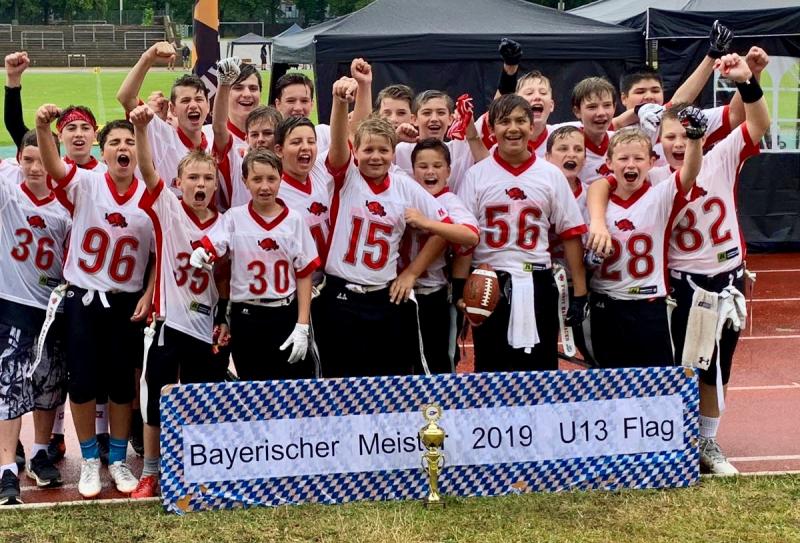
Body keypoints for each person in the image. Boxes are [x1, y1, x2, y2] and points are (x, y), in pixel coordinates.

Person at [632, 54, 768, 474]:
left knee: (717, 366)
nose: (676, 142)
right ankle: (673, 437)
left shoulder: (721, 156)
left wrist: (748, 82)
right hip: (681, 283)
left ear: (700, 134)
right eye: (668, 135)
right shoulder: (652, 177)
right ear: (657, 140)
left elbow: (757, 124)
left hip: (725, 277)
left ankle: (707, 441)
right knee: (681, 365)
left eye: (684, 134)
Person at [36, 108, 154, 498]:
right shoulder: (86, 183)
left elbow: (161, 253)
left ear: (139, 151)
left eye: (130, 141)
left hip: (125, 302)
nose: (123, 147)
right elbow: (54, 167)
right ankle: (90, 459)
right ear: (103, 153)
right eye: (115, 142)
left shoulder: (150, 195)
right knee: (82, 383)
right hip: (83, 297)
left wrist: (150, 292)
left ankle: (117, 458)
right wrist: (41, 128)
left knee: (123, 386)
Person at [316, 77, 452, 378]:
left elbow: (444, 227)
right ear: (357, 153)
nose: (375, 157)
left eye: (383, 151)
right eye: (368, 150)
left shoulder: (404, 186)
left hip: (384, 295)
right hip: (341, 295)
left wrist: (412, 271)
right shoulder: (347, 177)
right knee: (339, 380)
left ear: (394, 153)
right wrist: (340, 103)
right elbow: (339, 146)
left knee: (388, 380)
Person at [128, 104, 229, 498]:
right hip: (170, 322)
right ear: (179, 181)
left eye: (207, 177)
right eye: (193, 177)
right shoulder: (167, 207)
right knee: (156, 396)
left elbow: (227, 279)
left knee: (205, 396)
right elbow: (149, 169)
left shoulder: (228, 221)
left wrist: (227, 319)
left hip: (208, 324)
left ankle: (199, 465)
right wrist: (141, 131)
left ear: (216, 182)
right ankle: (151, 471)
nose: (200, 184)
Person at [456, 94, 588, 373]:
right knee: (490, 369)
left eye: (520, 121)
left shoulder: (549, 175)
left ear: (532, 126)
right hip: (489, 281)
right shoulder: (476, 175)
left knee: (539, 370)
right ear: (491, 130)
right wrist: (459, 286)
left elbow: (570, 232)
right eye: (504, 122)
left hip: (537, 279)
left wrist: (580, 291)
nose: (513, 128)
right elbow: (466, 238)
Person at [584, 108, 707, 370]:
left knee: (656, 383)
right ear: (608, 163)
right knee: (609, 384)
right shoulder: (594, 200)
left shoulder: (660, 195)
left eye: (638, 158)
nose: (631, 165)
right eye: (623, 158)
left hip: (649, 306)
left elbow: (690, 172)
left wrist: (695, 139)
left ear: (652, 162)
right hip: (606, 304)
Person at [191, 150, 319, 381]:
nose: (265, 186)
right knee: (252, 385)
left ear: (281, 178)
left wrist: (302, 324)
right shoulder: (234, 217)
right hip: (247, 315)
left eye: (271, 179)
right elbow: (214, 245)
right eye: (257, 179)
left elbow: (304, 273)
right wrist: (202, 252)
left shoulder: (294, 220)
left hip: (284, 312)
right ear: (245, 182)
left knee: (289, 388)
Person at [0, 131, 71, 505]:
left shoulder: (65, 208)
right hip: (12, 304)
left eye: (40, 159)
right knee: (8, 387)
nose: (33, 167)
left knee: (49, 386)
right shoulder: (8, 196)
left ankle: (41, 451)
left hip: (51, 310)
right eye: (26, 159)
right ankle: (6, 467)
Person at [401, 138, 479, 373]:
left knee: (439, 362)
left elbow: (471, 235)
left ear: (448, 171)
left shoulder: (449, 201)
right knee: (404, 362)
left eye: (437, 166)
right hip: (398, 293)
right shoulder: (403, 193)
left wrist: (428, 223)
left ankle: (439, 410)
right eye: (422, 167)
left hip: (432, 294)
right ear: (413, 171)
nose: (430, 172)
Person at [117, 42, 212, 189]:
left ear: (208, 106)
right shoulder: (162, 134)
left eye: (199, 99)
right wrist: (148, 57)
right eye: (185, 100)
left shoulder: (215, 137)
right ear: (172, 109)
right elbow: (126, 98)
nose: (193, 105)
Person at [213, 57, 281, 209]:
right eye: (238, 87)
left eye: (253, 88)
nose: (247, 94)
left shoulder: (280, 141)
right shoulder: (216, 137)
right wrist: (224, 84)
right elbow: (218, 127)